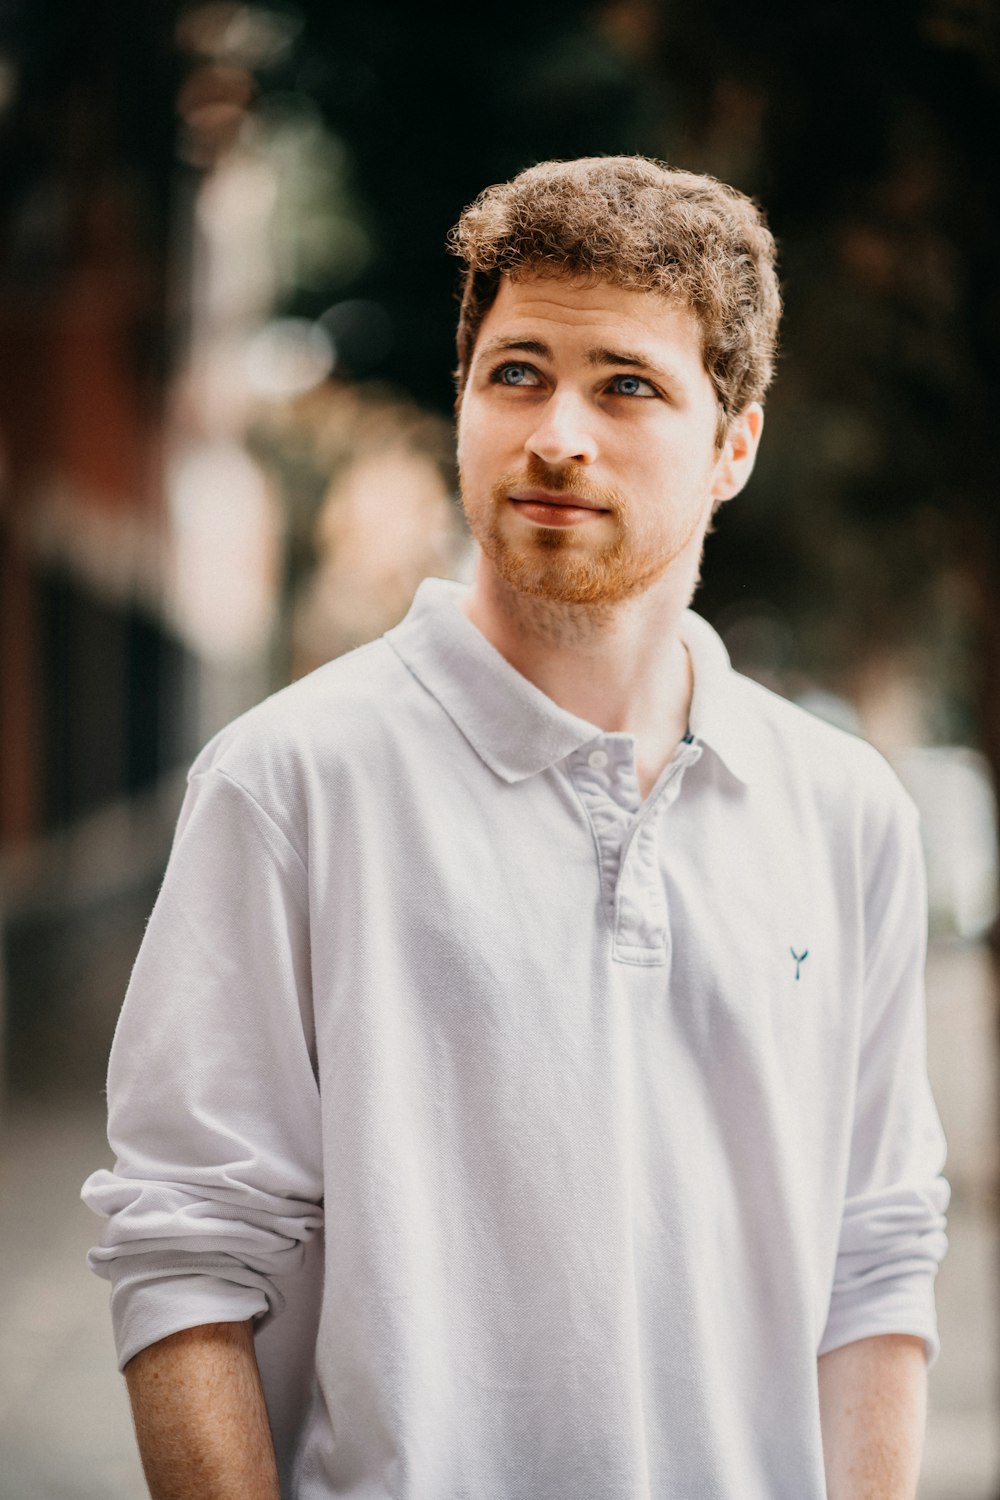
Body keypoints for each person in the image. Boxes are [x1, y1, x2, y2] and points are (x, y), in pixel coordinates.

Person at [83, 156, 948, 1500]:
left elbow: (876, 1251)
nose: (558, 435)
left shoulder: (849, 817)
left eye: (627, 385)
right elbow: (185, 1251)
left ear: (734, 447)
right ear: (465, 399)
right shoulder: (290, 782)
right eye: (517, 371)